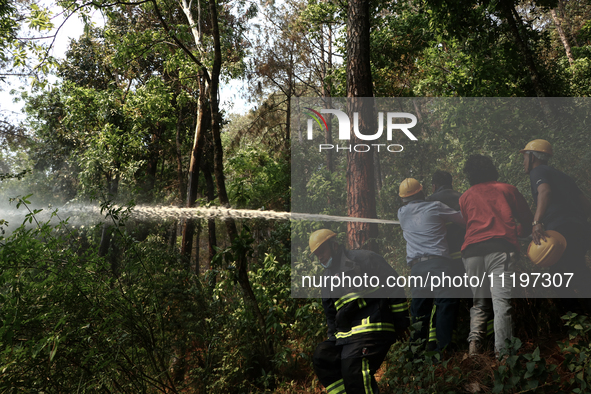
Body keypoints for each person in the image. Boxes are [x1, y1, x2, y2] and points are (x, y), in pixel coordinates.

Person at [309, 229, 409, 394]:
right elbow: (331, 316)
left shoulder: (364, 259)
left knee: (353, 368)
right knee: (323, 356)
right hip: (347, 336)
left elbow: (394, 285)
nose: (320, 257)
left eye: (322, 251)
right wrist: (334, 340)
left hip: (372, 326)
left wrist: (401, 322)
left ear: (334, 245)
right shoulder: (326, 279)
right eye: (316, 254)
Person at [460, 154, 533, 356]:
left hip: (471, 253)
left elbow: (469, 223)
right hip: (500, 250)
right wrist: (519, 232)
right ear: (492, 169)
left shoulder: (465, 196)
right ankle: (503, 357)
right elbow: (527, 221)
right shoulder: (508, 189)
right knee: (501, 302)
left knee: (479, 303)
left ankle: (474, 350)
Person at [520, 139, 591, 310]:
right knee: (570, 270)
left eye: (524, 157)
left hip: (561, 229)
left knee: (566, 276)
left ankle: (578, 322)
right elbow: (586, 206)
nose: (523, 162)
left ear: (532, 157)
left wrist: (537, 222)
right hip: (580, 228)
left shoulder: (538, 171)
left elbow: (545, 192)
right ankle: (579, 321)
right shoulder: (563, 176)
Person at [397, 178, 465, 353]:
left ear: (403, 199)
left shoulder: (401, 213)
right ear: (422, 191)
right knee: (445, 305)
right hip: (439, 264)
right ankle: (444, 352)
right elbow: (462, 220)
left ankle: (416, 354)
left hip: (417, 269)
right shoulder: (435, 206)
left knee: (420, 311)